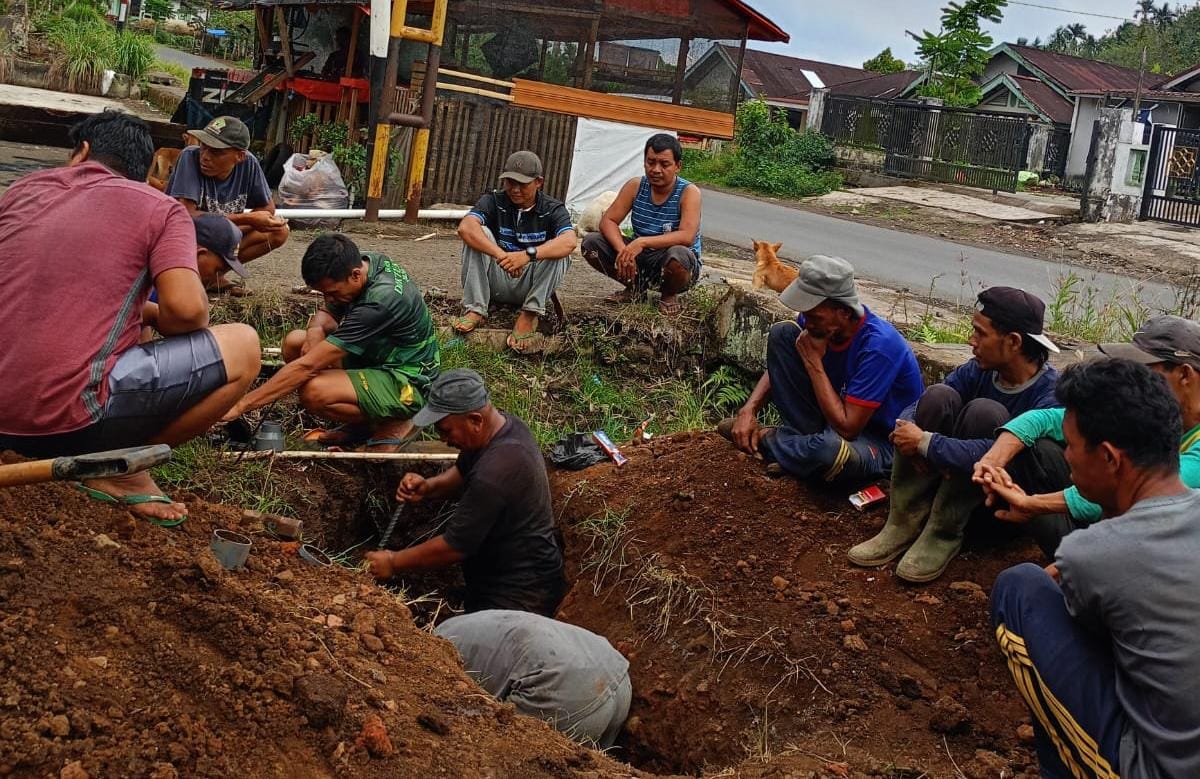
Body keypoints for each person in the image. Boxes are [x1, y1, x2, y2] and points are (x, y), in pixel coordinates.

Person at [0, 110, 261, 525]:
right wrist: (151, 312)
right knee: (245, 345)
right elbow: (189, 313)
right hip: (66, 420)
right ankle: (121, 467)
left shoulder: (22, 191)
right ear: (143, 173)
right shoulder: (160, 209)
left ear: (82, 152)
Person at [990, 358, 1200, 778]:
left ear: (1108, 457)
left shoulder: (1091, 555)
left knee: (1019, 587)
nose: (1065, 456)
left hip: (1152, 767)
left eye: (1070, 445)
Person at [847, 287, 1060, 582]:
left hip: (993, 512)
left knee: (985, 412)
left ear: (1013, 342)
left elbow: (1005, 455)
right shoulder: (979, 370)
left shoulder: (1050, 394)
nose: (970, 341)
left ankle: (942, 534)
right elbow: (918, 406)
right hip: (948, 481)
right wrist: (910, 434)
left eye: (980, 334)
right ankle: (904, 522)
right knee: (938, 395)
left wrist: (927, 444)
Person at [976, 314, 1200, 555]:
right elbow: (1047, 418)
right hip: (1125, 533)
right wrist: (993, 459)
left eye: (1144, 370)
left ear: (1184, 375)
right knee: (1038, 449)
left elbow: (1141, 494)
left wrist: (1032, 504)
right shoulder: (1147, 407)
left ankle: (1084, 568)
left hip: (1160, 559)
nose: (1135, 378)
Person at [365, 370, 566, 617]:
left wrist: (393, 562)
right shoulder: (502, 429)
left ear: (475, 420)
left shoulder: (497, 470)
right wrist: (429, 487)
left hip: (520, 595)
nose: (443, 439)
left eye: (446, 430)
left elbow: (454, 546)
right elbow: (463, 470)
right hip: (499, 577)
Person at [221, 234, 439, 450]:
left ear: (355, 275)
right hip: (380, 355)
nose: (329, 299)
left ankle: (395, 418)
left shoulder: (380, 302)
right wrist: (314, 334)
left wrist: (241, 405)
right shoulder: (365, 264)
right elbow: (323, 317)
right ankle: (363, 420)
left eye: (332, 293)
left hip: (407, 380)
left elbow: (307, 367)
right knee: (295, 342)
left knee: (314, 391)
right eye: (324, 293)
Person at [720, 255, 924, 484]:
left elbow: (848, 429)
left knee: (832, 453)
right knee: (783, 334)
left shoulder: (880, 347)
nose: (807, 320)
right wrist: (749, 409)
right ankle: (799, 451)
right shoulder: (818, 322)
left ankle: (767, 439)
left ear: (844, 312)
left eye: (814, 315)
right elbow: (786, 361)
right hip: (827, 421)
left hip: (877, 442)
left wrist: (813, 363)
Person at [434, 610, 631, 748]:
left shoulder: (436, 648)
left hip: (564, 688)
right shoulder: (463, 624)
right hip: (617, 674)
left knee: (502, 754)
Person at [454, 150, 577, 352]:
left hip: (530, 283)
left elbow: (570, 241)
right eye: (510, 182)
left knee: (561, 250)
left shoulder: (553, 209)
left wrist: (526, 256)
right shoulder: (494, 200)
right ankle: (476, 308)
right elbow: (465, 227)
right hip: (497, 279)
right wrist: (501, 255)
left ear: (539, 182)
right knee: (478, 233)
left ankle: (529, 313)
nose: (515, 189)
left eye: (523, 184)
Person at [581, 133, 702, 316]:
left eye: (664, 164)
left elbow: (687, 236)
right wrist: (624, 251)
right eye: (650, 162)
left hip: (674, 262)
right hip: (641, 258)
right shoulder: (636, 186)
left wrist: (642, 242)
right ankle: (635, 289)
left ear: (678, 166)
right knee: (590, 243)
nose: (656, 169)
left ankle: (669, 295)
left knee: (678, 255)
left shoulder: (689, 192)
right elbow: (608, 221)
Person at [166, 115, 290, 277]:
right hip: (187, 236)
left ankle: (215, 274)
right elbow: (185, 215)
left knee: (279, 232)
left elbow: (267, 207)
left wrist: (230, 230)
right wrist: (247, 220)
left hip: (221, 235)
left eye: (216, 152)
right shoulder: (189, 157)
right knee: (204, 264)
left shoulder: (249, 163)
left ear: (239, 156)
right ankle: (210, 274)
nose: (205, 156)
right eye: (204, 146)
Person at [142, 215, 250, 339]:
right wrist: (157, 316)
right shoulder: (157, 276)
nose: (218, 279)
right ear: (199, 253)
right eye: (218, 271)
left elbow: (141, 328)